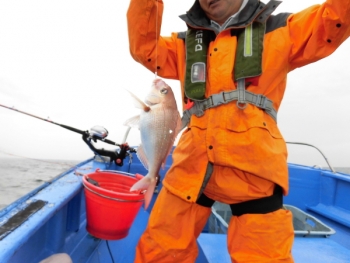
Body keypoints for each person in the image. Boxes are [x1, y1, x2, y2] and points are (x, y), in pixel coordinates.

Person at [127, 0, 350, 262]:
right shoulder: (186, 42)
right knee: (160, 249)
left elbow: (332, 22)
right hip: (192, 164)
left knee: (264, 256)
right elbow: (145, 48)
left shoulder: (279, 29)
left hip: (254, 167)